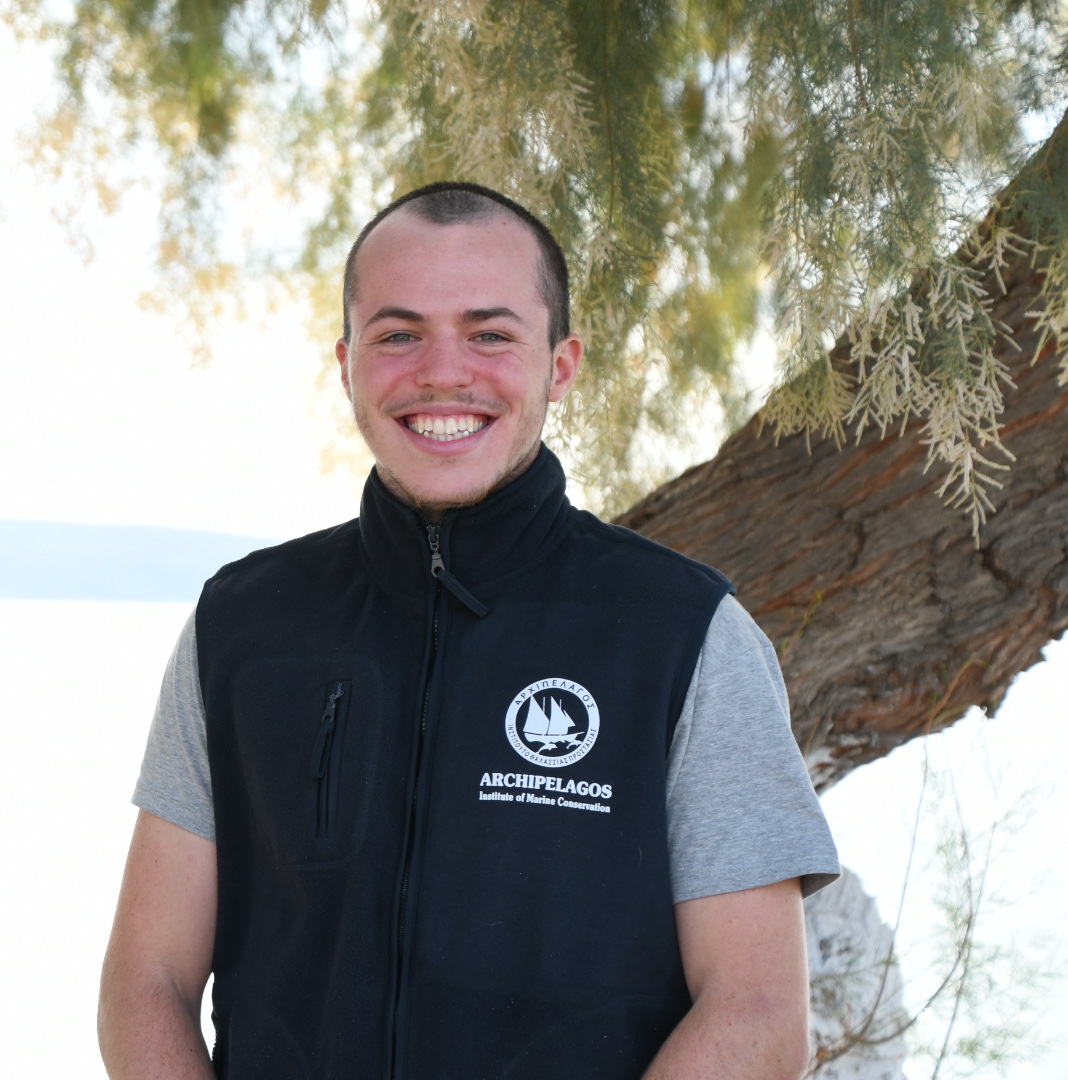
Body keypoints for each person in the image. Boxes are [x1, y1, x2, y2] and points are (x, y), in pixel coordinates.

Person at [98, 181, 839, 1080]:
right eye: (398, 335)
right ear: (347, 364)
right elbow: (147, 982)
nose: (443, 373)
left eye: (489, 335)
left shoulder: (686, 635)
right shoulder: (240, 626)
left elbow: (758, 1015)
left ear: (561, 366)